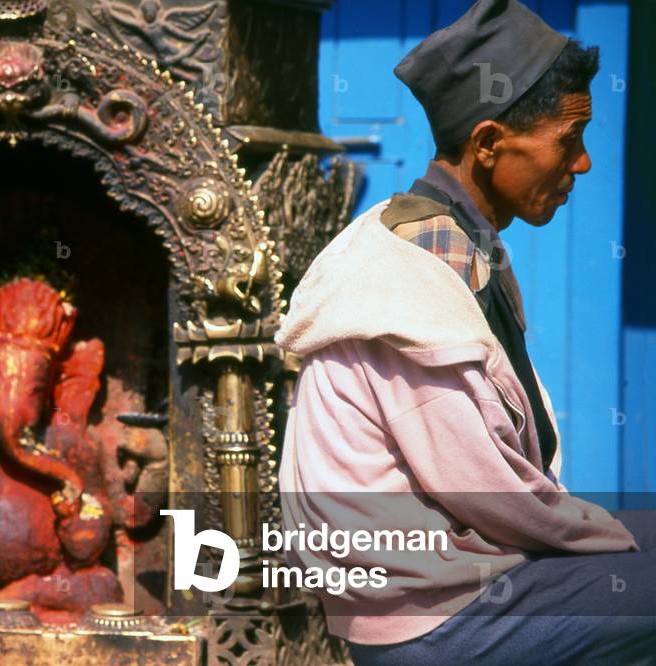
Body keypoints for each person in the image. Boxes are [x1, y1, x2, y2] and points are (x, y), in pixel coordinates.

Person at [274, 1, 655, 663]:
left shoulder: (452, 244)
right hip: (430, 620)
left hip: (464, 581)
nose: (583, 163)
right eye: (567, 141)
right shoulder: (403, 283)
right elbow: (494, 498)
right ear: (485, 145)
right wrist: (612, 537)